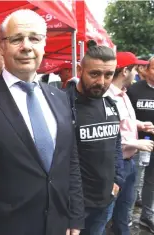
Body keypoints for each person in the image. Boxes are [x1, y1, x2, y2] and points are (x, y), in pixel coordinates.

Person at [0, 9, 84, 235]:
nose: (26, 46)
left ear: (44, 45)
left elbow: (71, 160)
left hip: (58, 224)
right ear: (2, 46)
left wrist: (75, 217)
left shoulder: (59, 97)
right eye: (17, 39)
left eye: (34, 38)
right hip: (6, 227)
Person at [65, 40, 125, 235]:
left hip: (105, 199)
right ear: (80, 69)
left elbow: (116, 144)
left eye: (108, 75)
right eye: (94, 74)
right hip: (74, 205)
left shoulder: (110, 104)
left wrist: (117, 179)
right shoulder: (62, 104)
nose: (101, 81)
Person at [105, 51, 154, 234]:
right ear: (125, 71)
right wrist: (136, 143)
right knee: (108, 213)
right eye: (134, 69)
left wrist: (140, 124)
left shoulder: (123, 94)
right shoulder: (108, 97)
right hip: (117, 165)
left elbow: (123, 123)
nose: (137, 72)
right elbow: (110, 133)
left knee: (124, 211)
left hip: (129, 162)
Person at [127, 56, 154, 233]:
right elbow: (126, 117)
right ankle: (126, 218)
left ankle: (147, 216)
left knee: (151, 182)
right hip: (137, 144)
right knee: (134, 181)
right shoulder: (134, 90)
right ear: (146, 70)